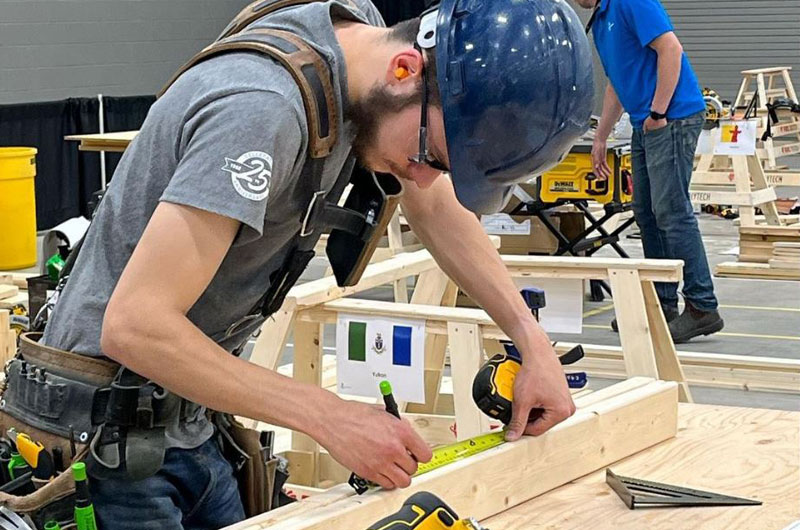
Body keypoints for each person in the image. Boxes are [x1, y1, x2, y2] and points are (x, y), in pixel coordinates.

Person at [8, 0, 592, 528]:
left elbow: (435, 205)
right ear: (404, 70)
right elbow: (136, 325)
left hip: (188, 417)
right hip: (102, 433)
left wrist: (531, 342)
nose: (420, 179)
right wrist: (329, 416)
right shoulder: (263, 108)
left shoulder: (360, 46)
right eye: (428, 157)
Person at [579, 0, 724, 343]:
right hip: (646, 123)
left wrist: (658, 113)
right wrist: (601, 136)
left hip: (672, 117)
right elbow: (617, 83)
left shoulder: (631, 2)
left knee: (671, 210)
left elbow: (670, 49)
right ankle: (662, 303)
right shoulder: (601, 20)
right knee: (646, 212)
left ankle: (702, 305)